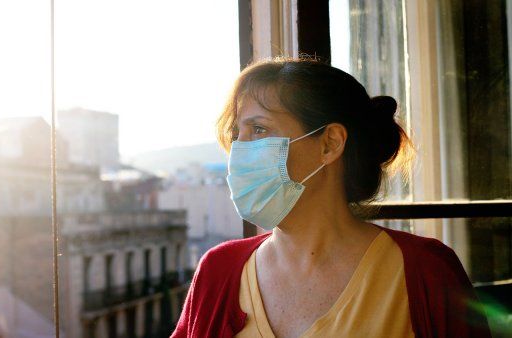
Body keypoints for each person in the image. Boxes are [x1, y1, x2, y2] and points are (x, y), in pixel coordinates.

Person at [170, 57, 491, 338]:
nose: (239, 150)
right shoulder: (219, 270)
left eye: (259, 130)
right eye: (237, 134)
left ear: (329, 144)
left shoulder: (425, 270)